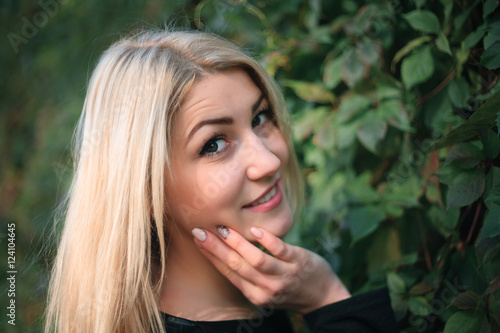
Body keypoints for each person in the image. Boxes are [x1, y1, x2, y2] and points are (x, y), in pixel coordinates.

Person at [45, 29, 399, 332]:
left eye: (260, 117)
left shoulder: (260, 301)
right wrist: (327, 296)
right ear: (145, 188)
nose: (269, 160)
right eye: (214, 144)